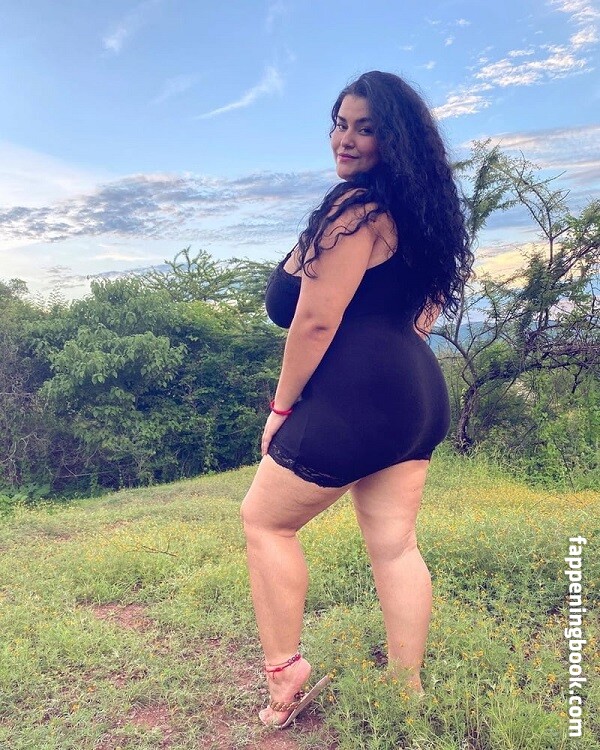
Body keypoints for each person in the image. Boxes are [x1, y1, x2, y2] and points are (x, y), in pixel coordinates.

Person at [241, 70, 472, 729]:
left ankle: (285, 676)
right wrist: (389, 353)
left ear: (393, 139)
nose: (346, 139)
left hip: (359, 398)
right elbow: (425, 307)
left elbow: (315, 322)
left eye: (365, 129)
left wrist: (281, 409)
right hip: (417, 393)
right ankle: (406, 690)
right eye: (340, 124)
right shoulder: (420, 214)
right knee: (395, 546)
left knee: (265, 521)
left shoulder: (356, 213)